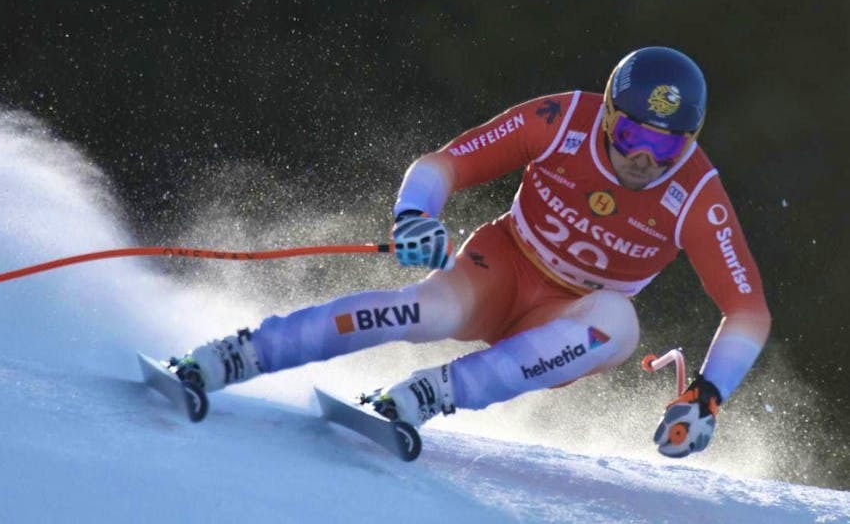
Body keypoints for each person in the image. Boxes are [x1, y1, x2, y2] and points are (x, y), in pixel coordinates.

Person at [170, 46, 771, 458]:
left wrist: (707, 393)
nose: (643, 159)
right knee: (425, 311)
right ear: (609, 114)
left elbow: (747, 311)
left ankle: (430, 394)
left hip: (565, 319)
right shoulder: (563, 119)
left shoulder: (696, 193)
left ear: (688, 144)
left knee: (618, 324)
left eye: (665, 148)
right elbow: (443, 164)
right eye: (633, 135)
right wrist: (414, 217)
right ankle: (236, 354)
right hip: (504, 265)